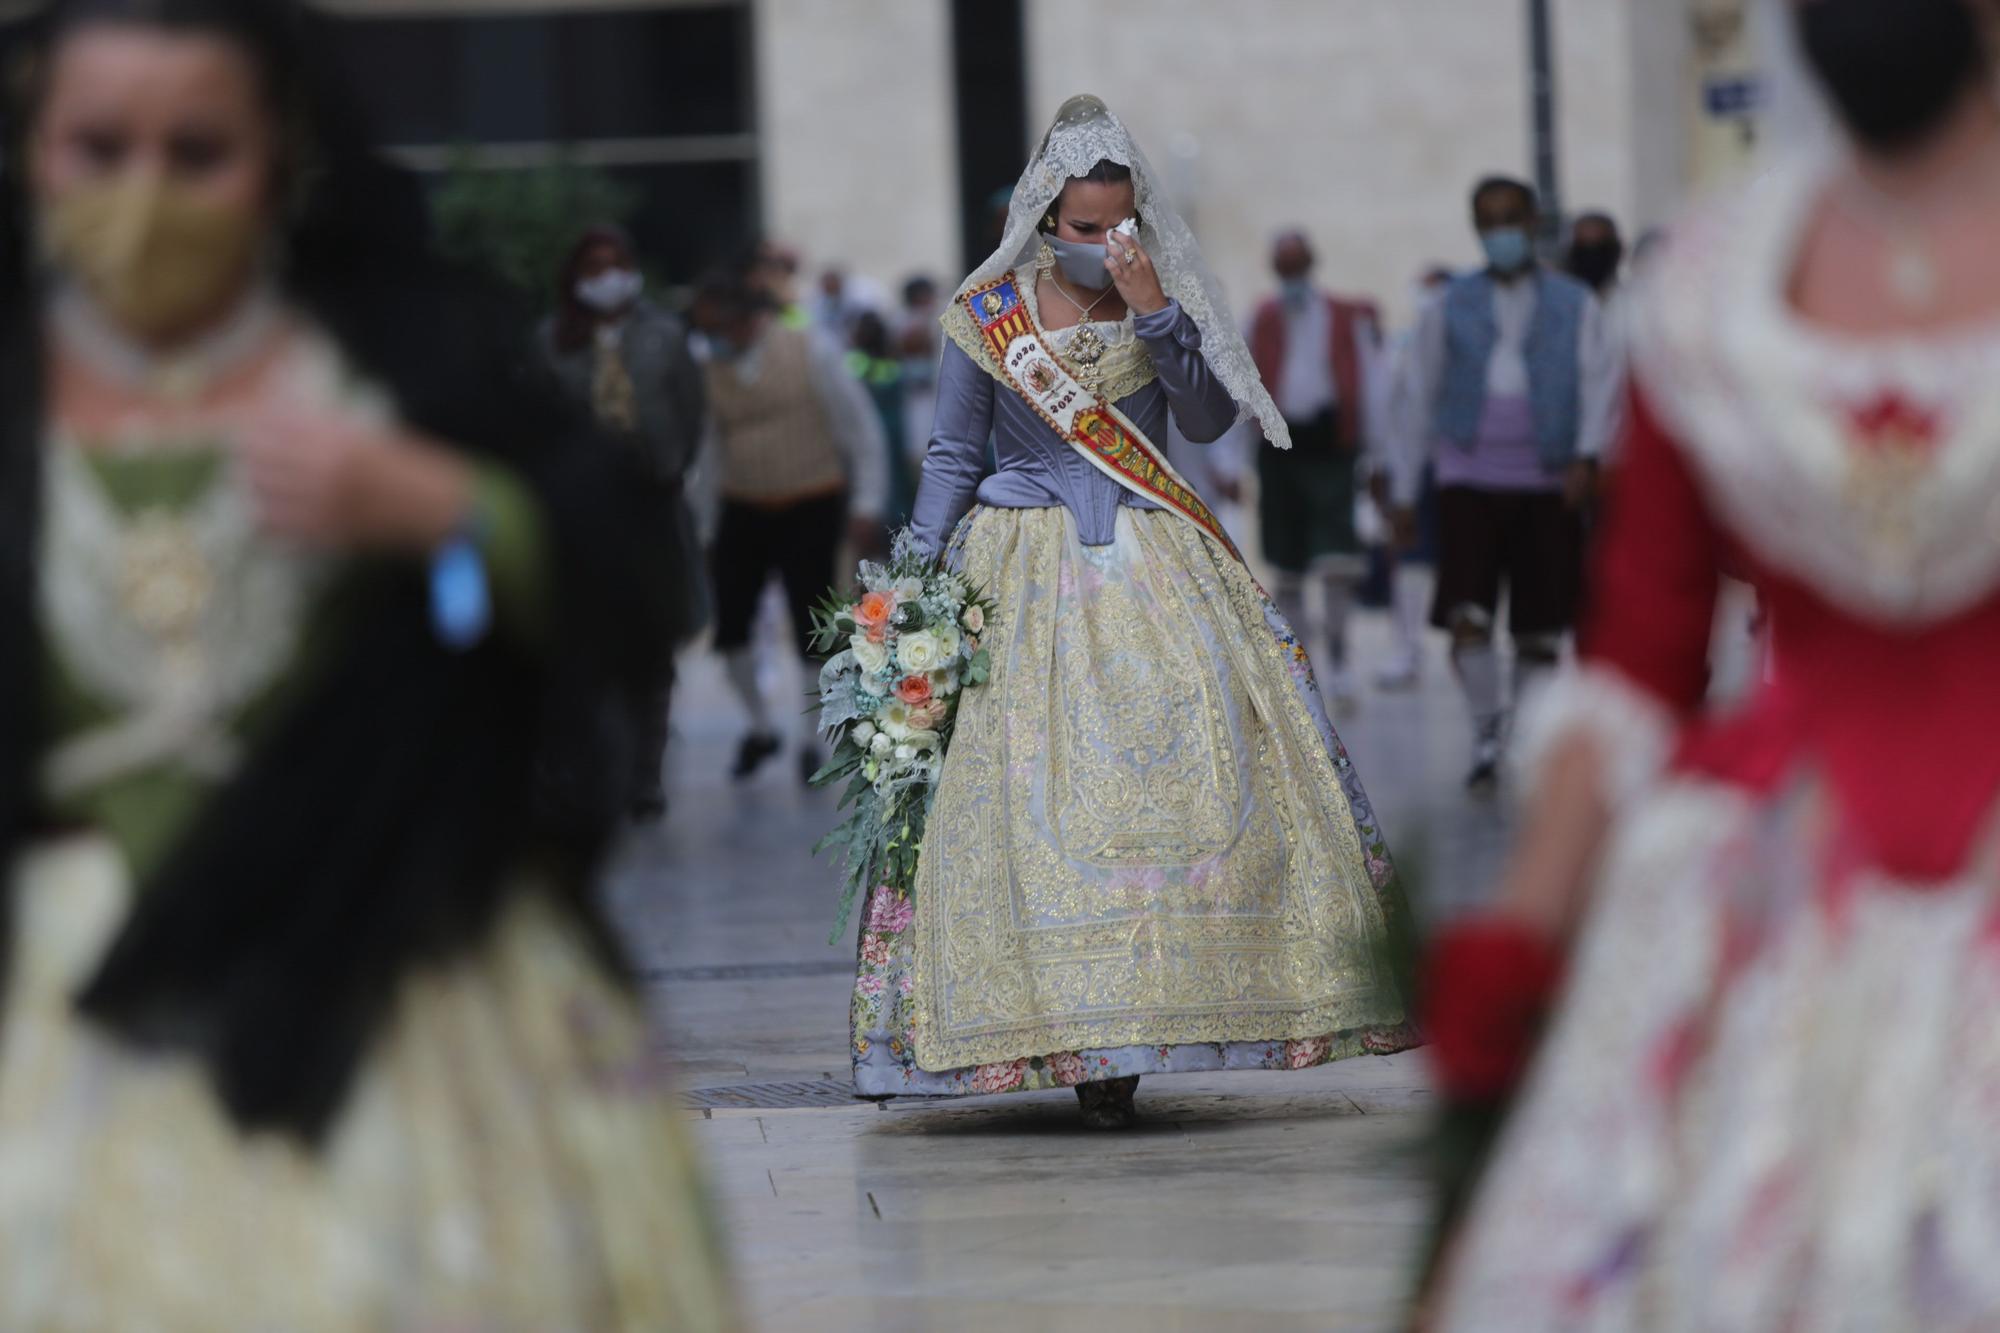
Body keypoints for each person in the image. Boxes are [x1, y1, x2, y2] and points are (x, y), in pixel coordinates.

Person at [0, 0, 736, 1326]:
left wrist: (450, 510)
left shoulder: (397, 363)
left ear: (278, 153)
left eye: (197, 153)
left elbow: (612, 581)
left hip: (390, 966)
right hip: (59, 1005)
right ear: (30, 149)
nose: (142, 199)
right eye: (97, 150)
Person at [1429, 0, 2000, 1325]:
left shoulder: (1710, 287)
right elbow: (1637, 654)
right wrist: (1517, 939)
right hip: (1772, 898)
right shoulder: (1713, 291)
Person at [861, 94, 1415, 1129]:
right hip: (1017, 563)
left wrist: (1157, 312)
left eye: (1118, 225)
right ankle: (1061, 1023)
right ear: (1042, 221)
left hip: (1151, 553)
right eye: (1082, 230)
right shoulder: (990, 317)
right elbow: (948, 455)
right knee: (1026, 795)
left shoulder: (1159, 297)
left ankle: (1146, 1012)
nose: (1101, 245)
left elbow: (1204, 422)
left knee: (1188, 780)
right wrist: (909, 580)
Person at [1390, 176, 1622, 790]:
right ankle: (1487, 728)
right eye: (1489, 221)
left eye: (1511, 219)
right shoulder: (1450, 304)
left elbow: (1601, 383)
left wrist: (1589, 456)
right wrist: (1405, 487)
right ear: (1476, 228)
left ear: (1533, 221)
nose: (1502, 233)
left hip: (1548, 476)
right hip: (1468, 470)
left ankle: (1524, 734)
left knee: (1541, 624)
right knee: (1467, 609)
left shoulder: (1576, 303)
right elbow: (1419, 394)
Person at [690, 268, 888, 784]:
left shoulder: (810, 350)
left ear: (751, 318)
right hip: (742, 507)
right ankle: (759, 726)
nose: (719, 335)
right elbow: (709, 452)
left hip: (812, 501)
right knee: (730, 623)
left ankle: (809, 738)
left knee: (813, 623)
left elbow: (859, 427)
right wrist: (707, 526)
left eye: (726, 324)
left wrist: (867, 500)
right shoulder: (710, 368)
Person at [539, 224, 707, 821]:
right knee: (587, 646)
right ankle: (589, 767)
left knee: (653, 647)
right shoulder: (554, 343)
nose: (608, 277)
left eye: (617, 263)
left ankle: (646, 775)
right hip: (582, 515)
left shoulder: (663, 335)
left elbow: (692, 413)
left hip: (652, 507)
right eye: (595, 267)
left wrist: (669, 469)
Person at [1245, 229, 1384, 711]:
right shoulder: (1261, 318)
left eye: (1297, 264)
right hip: (1281, 448)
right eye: (1283, 266)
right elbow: (1243, 386)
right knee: (1288, 564)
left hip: (1331, 446)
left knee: (1337, 562)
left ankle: (1342, 660)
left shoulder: (1346, 319)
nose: (1291, 275)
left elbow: (1371, 386)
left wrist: (1378, 456)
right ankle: (1300, 666)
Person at [847, 309, 915, 529]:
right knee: (896, 481)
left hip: (868, 430)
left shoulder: (855, 363)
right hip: (895, 430)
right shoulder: (894, 363)